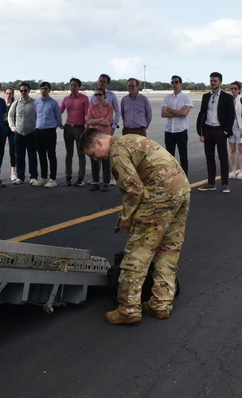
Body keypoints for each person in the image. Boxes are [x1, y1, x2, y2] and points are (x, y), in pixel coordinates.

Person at [81, 129, 190, 325]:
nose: (96, 159)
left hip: (160, 195)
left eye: (92, 155)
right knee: (168, 249)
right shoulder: (131, 139)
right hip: (180, 190)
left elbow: (133, 189)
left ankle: (128, 309)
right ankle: (161, 304)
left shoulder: (117, 151)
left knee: (137, 253)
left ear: (98, 143)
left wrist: (127, 218)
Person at [195, 71, 236, 193]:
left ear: (220, 82)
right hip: (208, 130)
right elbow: (202, 114)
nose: (212, 83)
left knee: (223, 158)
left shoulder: (227, 97)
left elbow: (231, 116)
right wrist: (201, 132)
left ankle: (225, 184)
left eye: (215, 81)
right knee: (209, 158)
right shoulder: (206, 96)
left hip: (220, 131)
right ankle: (211, 183)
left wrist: (225, 132)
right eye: (211, 80)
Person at [161, 75, 193, 176]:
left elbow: (184, 114)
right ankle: (172, 179)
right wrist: (178, 112)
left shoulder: (186, 98)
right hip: (169, 131)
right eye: (172, 83)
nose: (174, 84)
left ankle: (185, 179)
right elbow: (163, 113)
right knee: (170, 158)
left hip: (181, 131)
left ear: (180, 84)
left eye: (176, 82)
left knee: (183, 157)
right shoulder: (167, 98)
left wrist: (170, 110)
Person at [8, 83, 39, 185]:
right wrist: (12, 127)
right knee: (19, 156)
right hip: (19, 133)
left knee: (32, 156)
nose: (23, 92)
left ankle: (33, 176)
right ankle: (20, 177)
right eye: (21, 91)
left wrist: (36, 127)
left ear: (29, 91)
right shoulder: (16, 104)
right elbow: (10, 116)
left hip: (31, 133)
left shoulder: (35, 103)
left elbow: (39, 116)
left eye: (25, 90)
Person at [60, 77, 89, 186]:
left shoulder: (84, 98)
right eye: (71, 85)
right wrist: (59, 123)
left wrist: (88, 127)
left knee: (81, 153)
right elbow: (59, 111)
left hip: (80, 128)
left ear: (79, 87)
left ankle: (80, 177)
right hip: (68, 128)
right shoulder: (66, 99)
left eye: (75, 85)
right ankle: (68, 176)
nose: (73, 87)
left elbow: (88, 114)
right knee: (69, 153)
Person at [33, 82, 62, 187]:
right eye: (42, 88)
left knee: (51, 155)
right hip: (38, 131)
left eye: (45, 89)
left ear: (49, 90)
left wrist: (52, 126)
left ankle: (53, 179)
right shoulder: (36, 103)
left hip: (49, 131)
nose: (43, 90)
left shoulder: (53, 103)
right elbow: (36, 115)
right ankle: (44, 177)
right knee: (41, 155)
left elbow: (58, 118)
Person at [86, 89, 115, 190]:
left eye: (100, 94)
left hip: (105, 136)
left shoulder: (109, 108)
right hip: (94, 136)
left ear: (104, 95)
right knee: (94, 159)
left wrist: (95, 121)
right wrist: (101, 120)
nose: (98, 96)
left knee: (105, 160)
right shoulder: (91, 107)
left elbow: (108, 122)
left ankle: (106, 182)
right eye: (96, 95)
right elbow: (88, 120)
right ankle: (95, 181)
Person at [227, 81, 242, 180]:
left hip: (240, 127)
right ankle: (233, 170)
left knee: (241, 149)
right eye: (232, 88)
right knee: (232, 149)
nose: (233, 90)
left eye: (235, 88)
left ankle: (241, 171)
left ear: (239, 90)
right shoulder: (229, 100)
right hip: (231, 127)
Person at [4, 87, 18, 181]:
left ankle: (13, 172)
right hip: (2, 128)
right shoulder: (1, 104)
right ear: (4, 94)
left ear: (12, 95)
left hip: (12, 129)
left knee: (13, 151)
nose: (8, 95)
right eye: (7, 93)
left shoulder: (15, 104)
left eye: (10, 93)